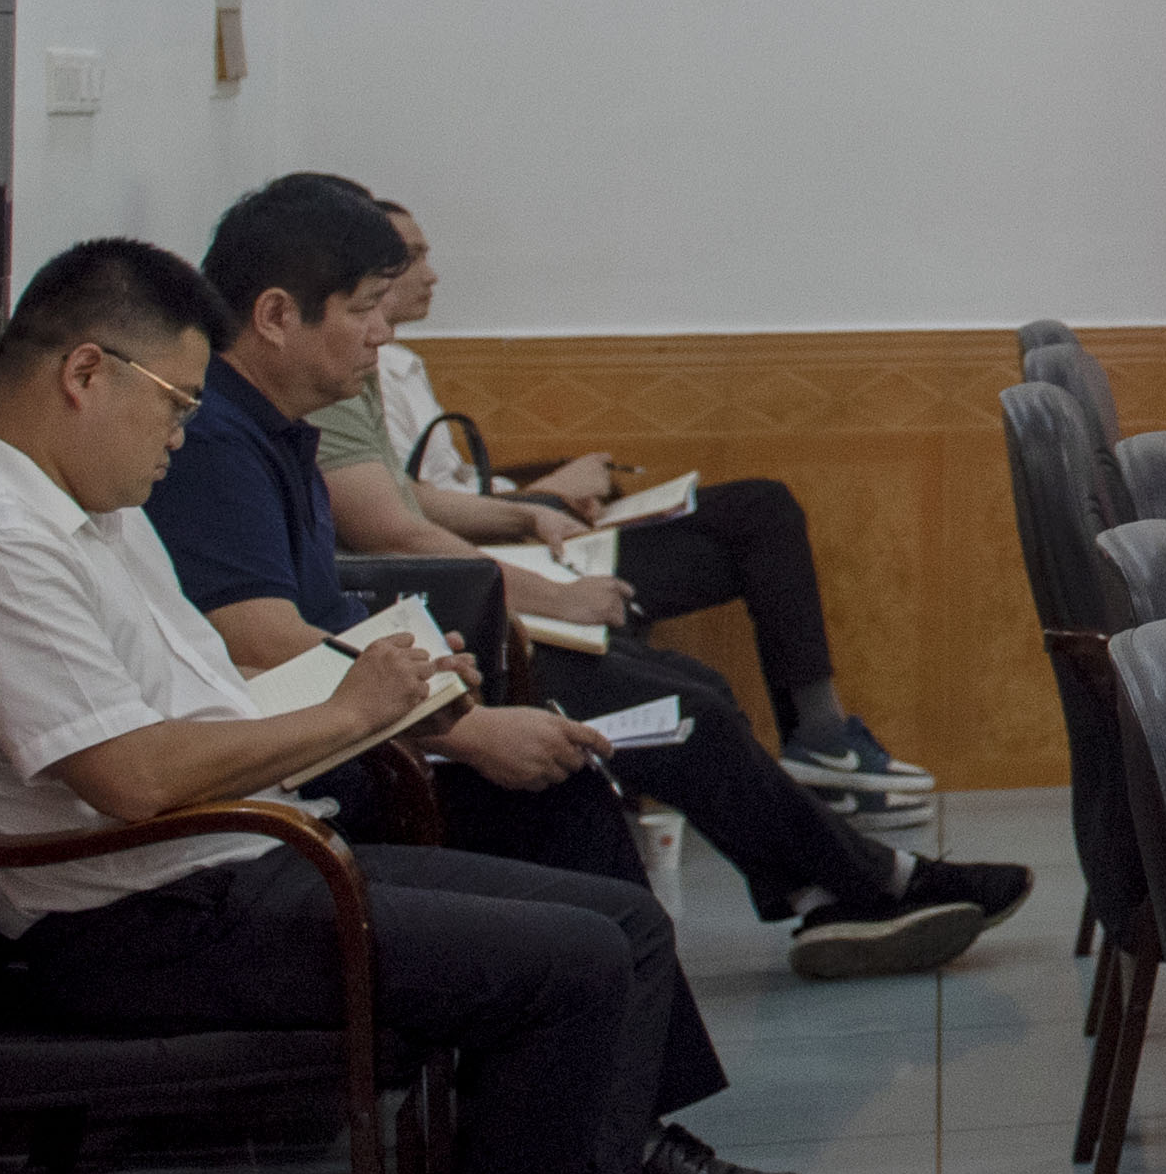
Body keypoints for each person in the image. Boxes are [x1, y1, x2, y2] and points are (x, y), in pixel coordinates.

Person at [0, 240, 772, 1174]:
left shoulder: (80, 507)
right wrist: (350, 710)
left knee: (621, 926)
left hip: (222, 864)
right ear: (86, 373)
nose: (182, 436)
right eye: (174, 404)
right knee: (574, 960)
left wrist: (395, 700)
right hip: (134, 920)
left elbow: (206, 701)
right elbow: (133, 779)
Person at [150, 177, 1028, 981]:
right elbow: (270, 632)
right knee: (636, 743)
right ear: (276, 315)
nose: (383, 331)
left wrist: (439, 675)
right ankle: (850, 890)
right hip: (327, 766)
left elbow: (325, 599)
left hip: (379, 708)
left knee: (678, 691)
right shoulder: (219, 442)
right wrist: (463, 724)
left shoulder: (278, 423)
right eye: (365, 308)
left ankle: (839, 887)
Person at [321, 194, 932, 815]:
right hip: (491, 556)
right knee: (712, 649)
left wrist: (537, 499)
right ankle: (817, 749)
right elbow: (406, 516)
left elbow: (423, 489)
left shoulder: (397, 364)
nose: (430, 273)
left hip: (509, 530)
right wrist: (541, 499)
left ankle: (818, 739)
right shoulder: (347, 374)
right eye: (410, 258)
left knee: (757, 512)